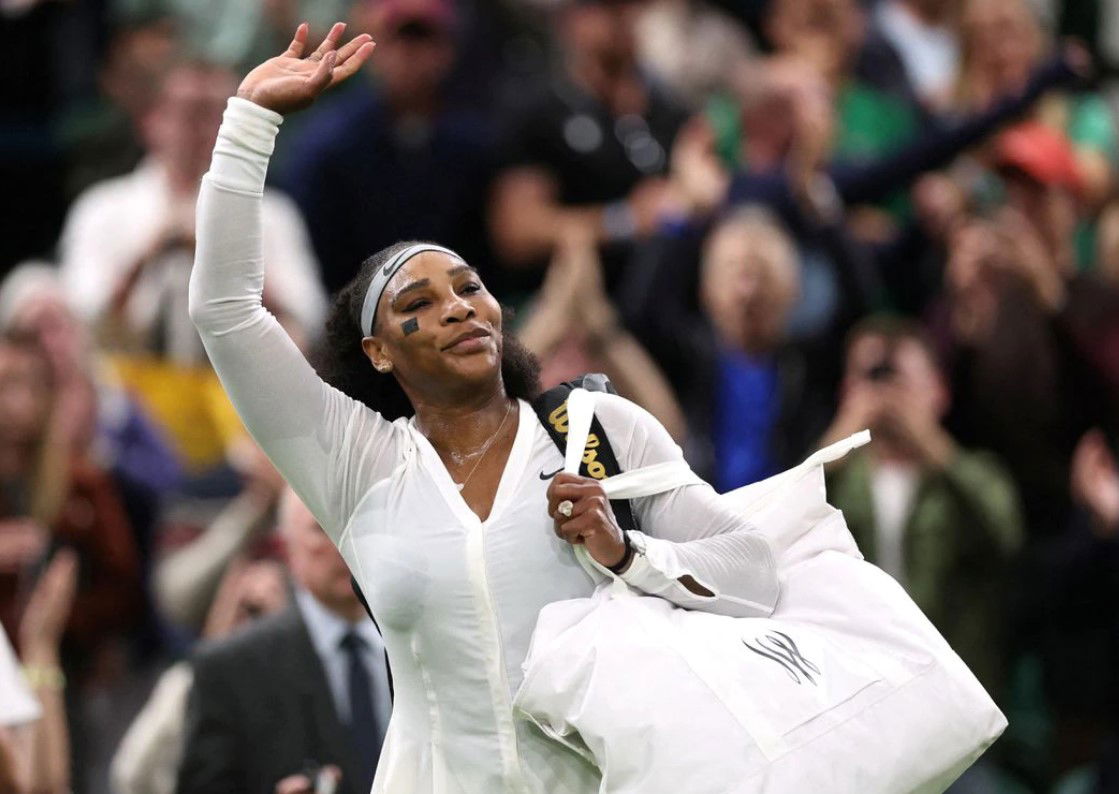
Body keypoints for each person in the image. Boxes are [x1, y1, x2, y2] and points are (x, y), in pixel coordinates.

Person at [189, 22, 780, 792]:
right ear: (377, 351)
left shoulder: (594, 432)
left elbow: (752, 574)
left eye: (471, 287)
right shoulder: (356, 463)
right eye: (420, 302)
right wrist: (248, 122)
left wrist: (625, 553)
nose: (460, 308)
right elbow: (226, 311)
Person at [58, 59, 326, 473]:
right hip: (129, 395)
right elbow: (80, 319)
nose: (200, 128)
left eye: (216, 113)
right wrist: (147, 257)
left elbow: (305, 319)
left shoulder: (273, 214)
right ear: (151, 122)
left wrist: (221, 255)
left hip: (237, 400)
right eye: (186, 111)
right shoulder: (101, 209)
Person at [819, 315, 1023, 698]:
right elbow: (777, 530)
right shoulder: (838, 480)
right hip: (855, 687)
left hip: (953, 692)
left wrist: (932, 443)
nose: (887, 395)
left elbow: (1005, 534)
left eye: (901, 380)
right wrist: (839, 442)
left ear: (939, 392)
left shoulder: (974, 473)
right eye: (872, 379)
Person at [177, 488, 388, 794]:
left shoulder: (426, 647)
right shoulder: (231, 669)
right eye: (321, 529)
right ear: (285, 546)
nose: (345, 545)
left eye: (358, 525)